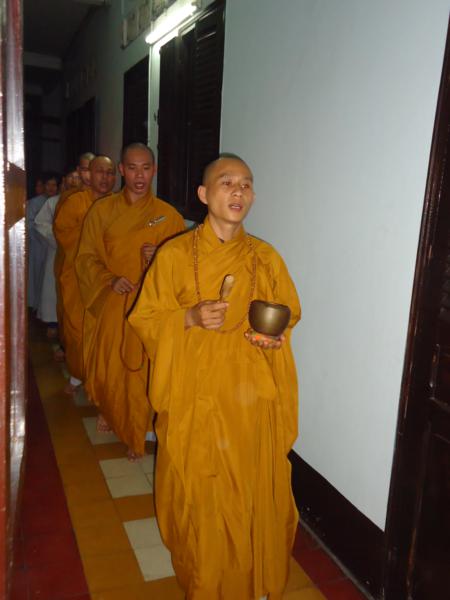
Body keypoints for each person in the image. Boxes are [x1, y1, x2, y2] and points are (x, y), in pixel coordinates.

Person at [128, 154, 301, 600]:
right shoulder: (174, 255)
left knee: (250, 492)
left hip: (250, 400)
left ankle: (250, 580)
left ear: (253, 196)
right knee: (200, 497)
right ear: (204, 195)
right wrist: (187, 317)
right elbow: (145, 318)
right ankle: (206, 582)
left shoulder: (266, 258)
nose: (238, 191)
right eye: (227, 183)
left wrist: (274, 339)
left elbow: (287, 315)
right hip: (195, 399)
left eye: (246, 184)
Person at [75, 143, 185, 456]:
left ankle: (140, 429)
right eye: (132, 168)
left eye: (146, 168)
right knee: (112, 365)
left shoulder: (169, 216)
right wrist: (109, 279)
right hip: (114, 300)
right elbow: (86, 257)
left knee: (144, 369)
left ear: (154, 170)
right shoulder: (102, 211)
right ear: (122, 170)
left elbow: (184, 269)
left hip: (152, 306)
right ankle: (111, 412)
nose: (139, 176)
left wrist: (159, 257)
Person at [54, 156, 116, 394]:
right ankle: (78, 374)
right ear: (89, 174)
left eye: (110, 173)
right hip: (77, 276)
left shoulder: (119, 204)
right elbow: (63, 233)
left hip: (106, 278)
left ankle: (101, 379)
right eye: (100, 172)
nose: (105, 178)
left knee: (105, 330)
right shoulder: (75, 202)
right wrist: (92, 232)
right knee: (77, 328)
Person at [34, 167, 81, 336]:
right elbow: (40, 224)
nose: (74, 181)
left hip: (80, 255)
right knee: (53, 289)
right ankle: (53, 322)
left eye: (77, 177)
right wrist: (59, 239)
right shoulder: (53, 202)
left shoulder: (88, 201)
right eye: (71, 177)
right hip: (57, 251)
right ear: (64, 181)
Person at [27, 173, 60, 311]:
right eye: (48, 185)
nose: (51, 188)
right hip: (37, 245)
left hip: (53, 245)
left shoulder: (60, 201)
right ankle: (34, 305)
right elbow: (30, 225)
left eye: (54, 185)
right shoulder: (34, 202)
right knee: (36, 275)